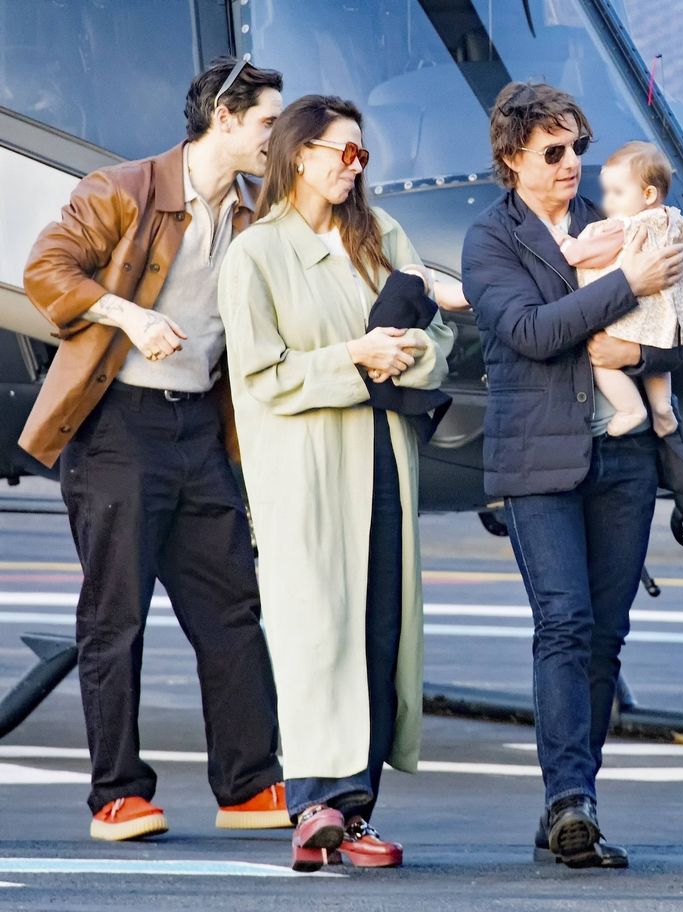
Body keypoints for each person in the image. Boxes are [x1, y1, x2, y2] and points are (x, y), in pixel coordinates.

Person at [18, 56, 288, 841]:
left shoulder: (251, 214)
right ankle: (118, 796)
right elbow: (45, 269)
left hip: (199, 431)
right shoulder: (125, 190)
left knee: (232, 606)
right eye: (269, 120)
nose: (277, 135)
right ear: (226, 119)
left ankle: (248, 784)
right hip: (118, 430)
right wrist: (129, 318)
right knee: (117, 615)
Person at [461, 81, 683, 869]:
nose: (572, 165)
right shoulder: (489, 241)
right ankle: (571, 800)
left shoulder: (615, 224)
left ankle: (575, 799)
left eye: (577, 150)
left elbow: (682, 336)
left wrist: (637, 352)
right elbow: (530, 333)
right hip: (539, 459)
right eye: (553, 153)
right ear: (511, 159)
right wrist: (627, 286)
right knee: (562, 622)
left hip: (625, 459)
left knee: (605, 636)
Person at [218, 94, 453, 872]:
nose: (355, 166)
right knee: (317, 630)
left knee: (380, 629)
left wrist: (405, 355)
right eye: (342, 151)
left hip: (383, 457)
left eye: (361, 155)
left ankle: (350, 813)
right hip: (305, 469)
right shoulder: (255, 254)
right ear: (300, 154)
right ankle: (318, 802)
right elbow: (260, 377)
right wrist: (355, 359)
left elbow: (437, 332)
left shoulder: (381, 235)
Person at [558, 141, 683, 438]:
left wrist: (563, 243)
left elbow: (584, 254)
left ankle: (630, 409)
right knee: (659, 355)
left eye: (616, 193)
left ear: (648, 194)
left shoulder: (621, 226)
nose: (607, 202)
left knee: (602, 360)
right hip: (668, 313)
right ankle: (662, 407)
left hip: (630, 312)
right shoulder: (675, 222)